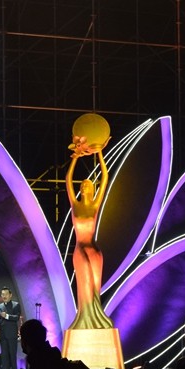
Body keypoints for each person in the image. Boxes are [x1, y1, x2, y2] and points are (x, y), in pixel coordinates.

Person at [65, 134, 113, 329]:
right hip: (80, 249)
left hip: (95, 251)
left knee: (94, 289)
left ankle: (98, 320)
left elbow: (105, 177)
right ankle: (84, 320)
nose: (85, 186)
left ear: (92, 189)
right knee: (85, 287)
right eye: (83, 184)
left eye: (88, 184)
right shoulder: (75, 205)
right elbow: (68, 179)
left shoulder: (94, 205)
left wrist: (100, 152)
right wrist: (75, 157)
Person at [0, 286, 24, 369]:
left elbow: (16, 317)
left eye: (6, 294)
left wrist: (6, 316)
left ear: (10, 295)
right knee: (4, 355)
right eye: (2, 294)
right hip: (2, 334)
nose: (4, 296)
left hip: (12, 334)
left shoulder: (16, 305)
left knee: (12, 354)